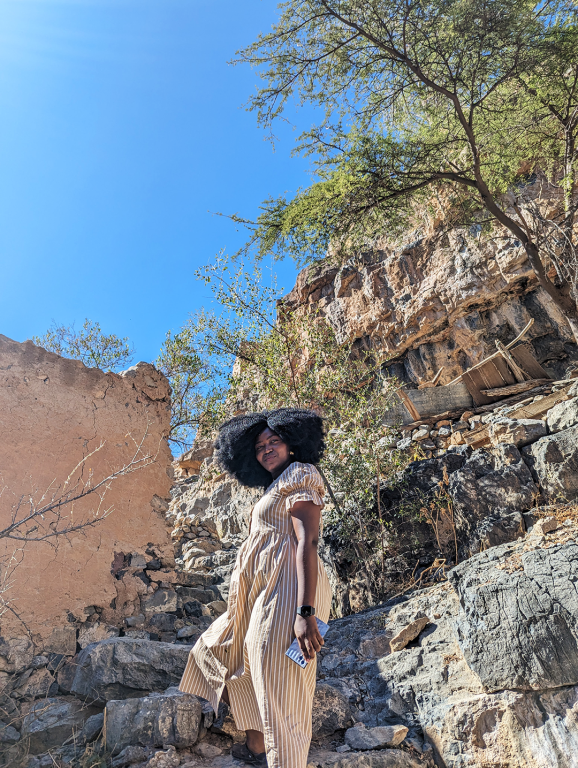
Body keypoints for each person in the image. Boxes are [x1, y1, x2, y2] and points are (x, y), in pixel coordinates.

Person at [179, 407, 332, 768]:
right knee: (229, 654)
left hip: (290, 590)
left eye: (274, 441)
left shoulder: (300, 473)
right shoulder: (274, 486)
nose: (266, 449)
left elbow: (307, 541)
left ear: (292, 445)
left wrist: (304, 612)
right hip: (261, 594)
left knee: (281, 686)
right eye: (260, 445)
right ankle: (258, 746)